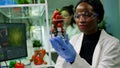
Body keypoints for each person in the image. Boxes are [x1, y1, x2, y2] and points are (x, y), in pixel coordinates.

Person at [50, 0, 120, 68]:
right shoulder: (73, 40)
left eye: (87, 15)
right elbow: (59, 65)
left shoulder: (113, 45)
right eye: (77, 16)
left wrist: (74, 59)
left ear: (99, 18)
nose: (81, 20)